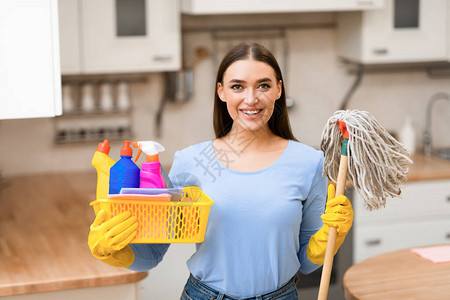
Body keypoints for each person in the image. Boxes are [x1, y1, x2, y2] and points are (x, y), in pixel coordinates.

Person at [88, 42, 353, 300]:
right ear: (221, 91)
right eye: (237, 86)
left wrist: (330, 238)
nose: (251, 99)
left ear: (279, 90)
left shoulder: (309, 162)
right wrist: (114, 252)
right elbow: (153, 253)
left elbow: (306, 263)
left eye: (263, 85)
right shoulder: (192, 162)